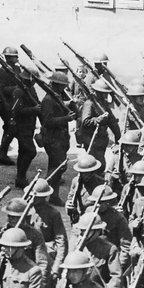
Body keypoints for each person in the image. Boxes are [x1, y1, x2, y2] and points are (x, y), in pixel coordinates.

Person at [40, 72, 76, 205]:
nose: (64, 88)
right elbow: (48, 121)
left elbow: (59, 107)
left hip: (60, 138)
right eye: (62, 86)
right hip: (52, 139)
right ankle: (41, 191)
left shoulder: (56, 97)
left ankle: (51, 195)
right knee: (58, 167)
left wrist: (69, 105)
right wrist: (67, 118)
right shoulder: (48, 100)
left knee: (56, 167)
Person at [12, 67, 41, 187]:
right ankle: (20, 177)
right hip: (21, 126)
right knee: (30, 151)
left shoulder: (30, 89)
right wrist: (33, 110)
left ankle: (21, 178)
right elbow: (16, 110)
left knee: (23, 151)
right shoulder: (19, 91)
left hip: (29, 126)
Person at [79, 79, 121, 162]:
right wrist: (98, 119)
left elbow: (111, 120)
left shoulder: (104, 103)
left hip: (102, 139)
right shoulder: (89, 103)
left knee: (101, 162)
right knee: (94, 163)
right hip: (91, 138)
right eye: (103, 93)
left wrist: (118, 136)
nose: (105, 95)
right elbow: (85, 122)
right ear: (97, 92)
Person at [0, 46, 22, 165]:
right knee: (10, 128)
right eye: (14, 56)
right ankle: (2, 153)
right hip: (6, 105)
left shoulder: (17, 69)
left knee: (11, 128)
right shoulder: (1, 72)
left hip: (15, 104)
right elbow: (0, 89)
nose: (16, 58)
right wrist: (14, 89)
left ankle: (3, 150)